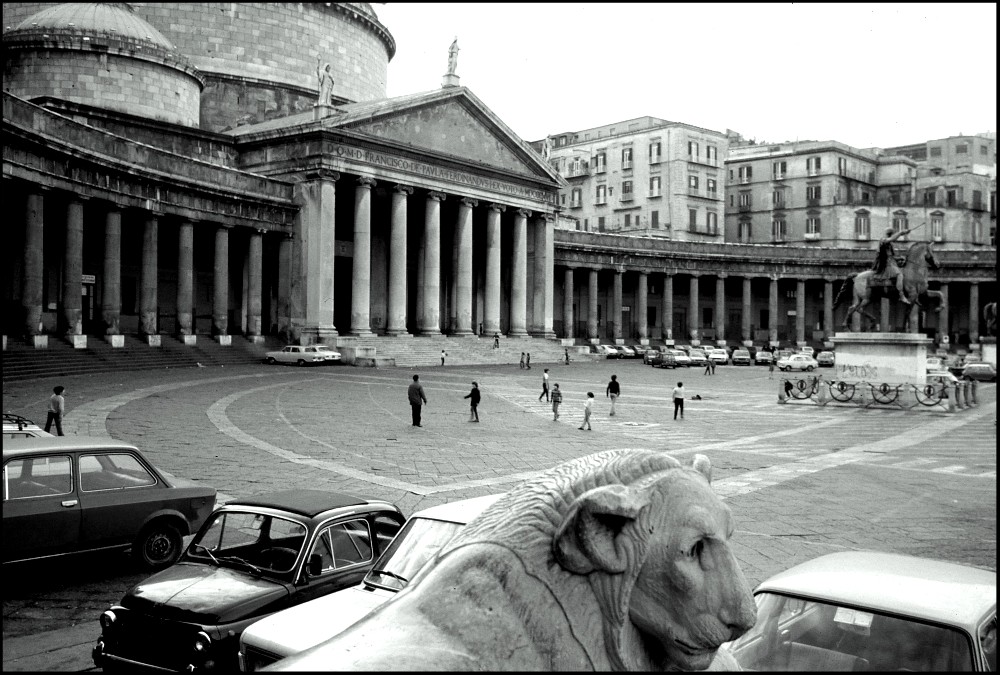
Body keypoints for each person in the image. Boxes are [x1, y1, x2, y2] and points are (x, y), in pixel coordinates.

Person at [872, 226, 914, 305]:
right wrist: (902, 232)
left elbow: (892, 256)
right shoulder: (883, 240)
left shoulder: (890, 244)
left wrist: (900, 258)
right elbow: (892, 239)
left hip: (891, 263)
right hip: (886, 265)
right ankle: (901, 296)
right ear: (890, 234)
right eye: (893, 234)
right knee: (899, 275)